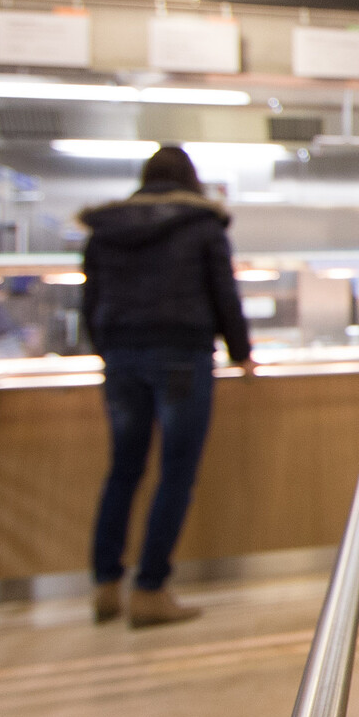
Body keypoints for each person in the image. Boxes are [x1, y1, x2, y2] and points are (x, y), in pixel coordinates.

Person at [78, 146, 253, 628]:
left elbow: (90, 298)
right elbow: (224, 293)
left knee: (123, 470)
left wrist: (107, 349)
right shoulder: (202, 224)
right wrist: (241, 352)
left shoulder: (106, 228)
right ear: (191, 180)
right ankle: (151, 588)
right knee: (175, 472)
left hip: (121, 356)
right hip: (181, 353)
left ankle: (106, 585)